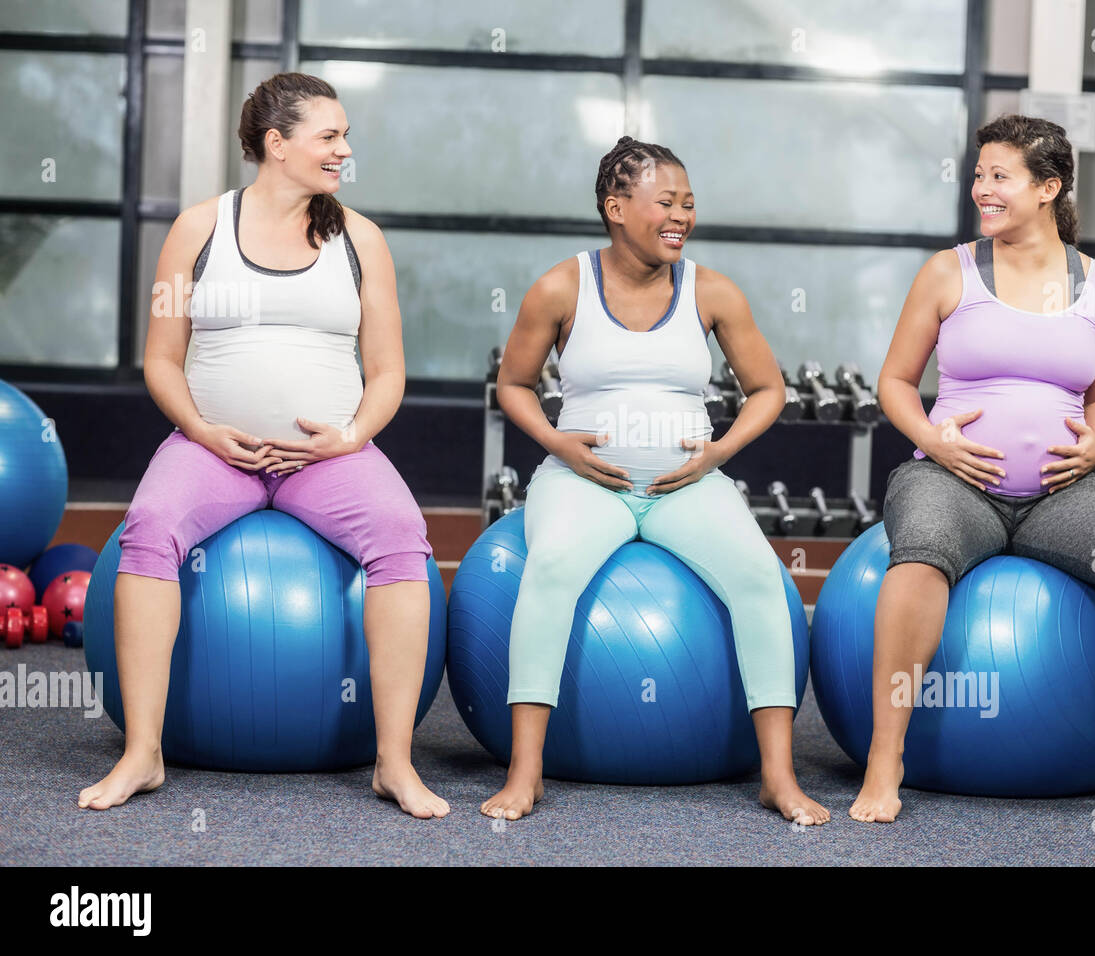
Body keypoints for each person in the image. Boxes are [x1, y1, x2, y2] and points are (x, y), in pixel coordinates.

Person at [77, 73, 447, 819]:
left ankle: (395, 763)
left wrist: (351, 436)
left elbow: (387, 371)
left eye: (344, 135)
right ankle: (143, 753)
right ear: (276, 145)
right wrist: (204, 428)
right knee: (148, 529)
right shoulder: (196, 229)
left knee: (404, 537)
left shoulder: (360, 241)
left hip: (329, 459)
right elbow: (160, 359)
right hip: (213, 450)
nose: (345, 149)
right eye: (329, 136)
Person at [860, 114, 1095, 834]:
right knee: (919, 554)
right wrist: (935, 438)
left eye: (1001, 176)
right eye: (979, 173)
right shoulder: (948, 271)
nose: (981, 188)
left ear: (1048, 187)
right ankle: (884, 757)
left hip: (1062, 492)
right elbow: (894, 382)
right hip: (954, 482)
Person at [484, 136, 829, 826]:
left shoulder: (712, 291)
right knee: (549, 569)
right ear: (616, 207)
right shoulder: (561, 286)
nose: (681, 216)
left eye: (689, 204)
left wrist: (717, 453)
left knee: (763, 579)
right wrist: (558, 442)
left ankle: (779, 777)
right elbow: (513, 383)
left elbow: (768, 390)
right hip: (585, 482)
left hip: (685, 487)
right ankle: (526, 774)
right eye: (665, 202)